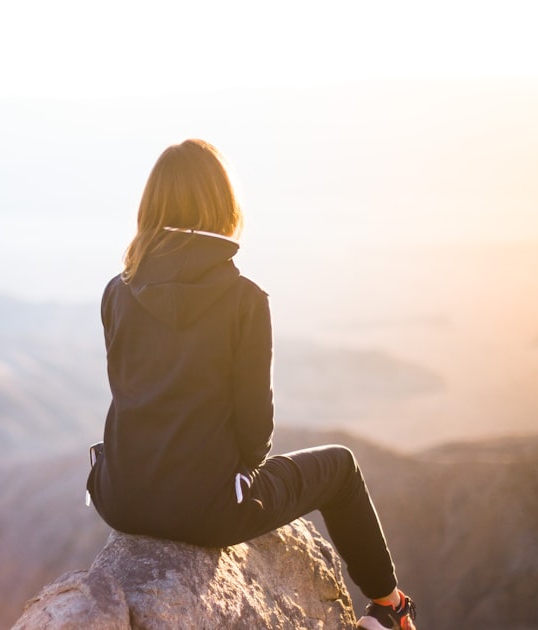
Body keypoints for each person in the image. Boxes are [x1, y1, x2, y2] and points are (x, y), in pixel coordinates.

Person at [85, 139, 417, 630]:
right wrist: (227, 479)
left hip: (119, 500)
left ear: (150, 208)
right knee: (341, 469)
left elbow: (129, 393)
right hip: (207, 512)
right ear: (223, 206)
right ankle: (389, 609)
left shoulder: (117, 290)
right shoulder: (244, 300)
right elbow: (255, 434)